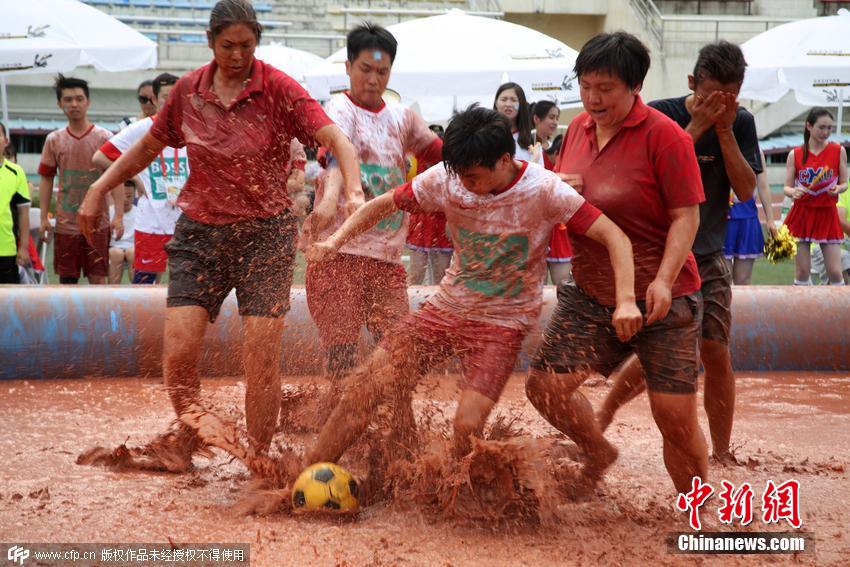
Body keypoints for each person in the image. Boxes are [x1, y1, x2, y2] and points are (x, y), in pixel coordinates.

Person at [77, 0, 363, 471]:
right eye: (228, 46)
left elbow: (337, 139)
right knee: (180, 352)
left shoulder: (278, 89)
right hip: (200, 235)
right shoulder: (188, 90)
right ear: (211, 43)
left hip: (265, 234)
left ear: (257, 42)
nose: (237, 55)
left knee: (261, 356)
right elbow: (148, 148)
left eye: (247, 46)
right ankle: (190, 435)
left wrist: (351, 188)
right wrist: (98, 186)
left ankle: (259, 457)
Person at [304, 105, 640, 464]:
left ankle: (583, 457)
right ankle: (310, 471)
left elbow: (614, 235)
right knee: (364, 387)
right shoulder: (447, 178)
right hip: (444, 310)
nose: (465, 185)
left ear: (505, 160)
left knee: (466, 426)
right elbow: (381, 206)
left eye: (474, 176)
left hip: (501, 325)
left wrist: (626, 300)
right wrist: (334, 241)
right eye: (460, 175)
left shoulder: (545, 189)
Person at [525, 32, 709, 494]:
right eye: (585, 86)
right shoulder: (577, 133)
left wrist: (665, 281)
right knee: (545, 387)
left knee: (675, 420)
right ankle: (597, 449)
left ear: (633, 86)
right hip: (591, 293)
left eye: (605, 88)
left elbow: (686, 217)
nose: (593, 98)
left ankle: (695, 513)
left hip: (662, 297)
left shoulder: (666, 137)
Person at [596, 40, 762, 467]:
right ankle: (604, 416)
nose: (722, 105)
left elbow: (744, 190)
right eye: (711, 97)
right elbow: (648, 175)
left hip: (707, 253)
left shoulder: (740, 123)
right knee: (660, 351)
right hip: (660, 254)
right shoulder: (662, 114)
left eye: (731, 97)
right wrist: (699, 126)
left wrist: (724, 130)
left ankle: (723, 450)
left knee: (716, 350)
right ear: (692, 83)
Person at [302, 23, 442, 383]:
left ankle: (398, 428)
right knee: (341, 355)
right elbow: (334, 157)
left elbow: (439, 153)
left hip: (386, 258)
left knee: (399, 353)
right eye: (365, 69)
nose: (373, 79)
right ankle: (336, 426)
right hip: (338, 256)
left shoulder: (403, 117)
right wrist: (336, 200)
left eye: (382, 72)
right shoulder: (338, 110)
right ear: (348, 67)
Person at [94, 73, 183, 285]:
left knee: (185, 285)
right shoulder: (143, 129)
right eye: (165, 97)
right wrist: (134, 178)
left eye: (176, 96)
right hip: (151, 220)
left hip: (186, 222)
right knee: (144, 284)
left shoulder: (194, 128)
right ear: (154, 99)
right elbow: (100, 157)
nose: (171, 102)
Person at [38, 75, 121, 285]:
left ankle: (99, 319)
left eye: (79, 98)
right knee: (67, 281)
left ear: (88, 102)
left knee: (98, 279)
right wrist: (43, 218)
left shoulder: (104, 138)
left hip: (98, 223)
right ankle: (68, 320)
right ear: (60, 104)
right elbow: (47, 179)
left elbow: (117, 176)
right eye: (68, 100)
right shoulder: (54, 139)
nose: (74, 104)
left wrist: (118, 214)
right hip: (66, 224)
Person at [783, 107, 848, 285]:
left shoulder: (838, 151)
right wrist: (794, 192)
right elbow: (786, 188)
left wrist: (838, 188)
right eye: (821, 127)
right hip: (802, 213)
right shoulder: (795, 154)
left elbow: (844, 183)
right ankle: (802, 309)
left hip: (827, 213)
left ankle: (841, 311)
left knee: (835, 271)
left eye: (829, 128)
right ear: (809, 126)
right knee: (802, 271)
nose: (825, 132)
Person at [531, 100, 573, 284]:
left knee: (562, 284)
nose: (555, 122)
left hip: (557, 223)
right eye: (551, 117)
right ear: (536, 119)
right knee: (534, 286)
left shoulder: (558, 150)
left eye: (557, 118)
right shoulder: (527, 147)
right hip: (535, 223)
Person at [724, 148, 778, 284]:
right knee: (723, 279)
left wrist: (770, 220)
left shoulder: (755, 150)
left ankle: (741, 306)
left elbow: (763, 186)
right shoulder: (717, 143)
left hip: (747, 219)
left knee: (743, 280)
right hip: (721, 219)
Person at [405, 155, 453, 285]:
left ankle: (437, 304)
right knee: (415, 275)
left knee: (441, 279)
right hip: (420, 221)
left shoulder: (452, 164)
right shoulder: (415, 157)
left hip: (442, 222)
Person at [0, 122, 30, 284]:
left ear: (5, 141)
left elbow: (23, 212)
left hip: (6, 250)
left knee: (6, 304)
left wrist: (24, 248)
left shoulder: (16, 172)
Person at [811, 185, 850, 283]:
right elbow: (841, 221)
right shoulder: (841, 189)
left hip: (842, 241)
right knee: (843, 257)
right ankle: (841, 295)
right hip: (828, 241)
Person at [493, 82, 536, 162]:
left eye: (513, 100)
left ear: (521, 104)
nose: (508, 104)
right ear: (496, 103)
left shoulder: (532, 141)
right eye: (504, 99)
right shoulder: (486, 136)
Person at [108, 184, 137, 284]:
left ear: (134, 196)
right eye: (122, 195)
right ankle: (112, 292)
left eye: (129, 196)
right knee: (116, 253)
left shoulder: (139, 212)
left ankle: (137, 290)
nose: (125, 199)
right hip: (113, 247)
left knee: (132, 253)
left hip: (132, 247)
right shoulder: (109, 211)